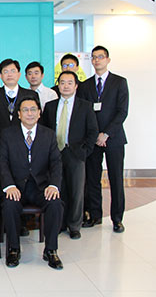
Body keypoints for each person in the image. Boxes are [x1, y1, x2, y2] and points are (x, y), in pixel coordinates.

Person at [0, 97, 64, 269]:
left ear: (39, 113)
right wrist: (9, 185)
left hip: (40, 187)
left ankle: (51, 250)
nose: (29, 113)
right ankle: (14, 249)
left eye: (33, 109)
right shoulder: (8, 134)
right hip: (16, 186)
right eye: (25, 110)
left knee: (55, 204)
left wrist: (54, 185)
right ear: (19, 114)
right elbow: (2, 162)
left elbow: (56, 163)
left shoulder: (48, 134)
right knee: (9, 205)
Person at [77, 46, 129, 233]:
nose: (97, 60)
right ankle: (95, 215)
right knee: (92, 179)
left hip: (113, 138)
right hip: (92, 139)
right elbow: (84, 113)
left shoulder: (119, 82)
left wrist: (106, 133)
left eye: (100, 57)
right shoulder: (85, 86)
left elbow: (122, 111)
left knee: (116, 179)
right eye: (94, 57)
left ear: (107, 59)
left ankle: (117, 219)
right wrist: (95, 135)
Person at [42, 71, 98, 239]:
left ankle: (74, 226)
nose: (65, 86)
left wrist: (85, 152)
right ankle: (60, 223)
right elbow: (44, 130)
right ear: (58, 85)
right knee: (58, 189)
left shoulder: (85, 106)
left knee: (76, 191)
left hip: (75, 153)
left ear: (76, 86)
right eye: (62, 83)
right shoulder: (50, 106)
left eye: (69, 83)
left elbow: (93, 131)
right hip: (55, 153)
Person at [0, 58, 39, 140]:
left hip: (24, 142)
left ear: (19, 74)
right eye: (6, 72)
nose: (9, 75)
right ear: (0, 76)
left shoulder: (31, 95)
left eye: (13, 71)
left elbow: (38, 122)